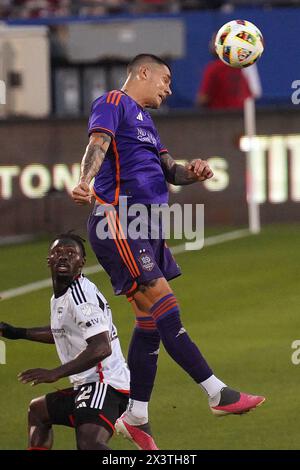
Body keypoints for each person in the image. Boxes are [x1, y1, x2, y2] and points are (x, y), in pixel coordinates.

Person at [72, 54, 265, 450]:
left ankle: (136, 416)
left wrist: (191, 172)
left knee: (148, 321)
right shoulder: (113, 102)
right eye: (165, 79)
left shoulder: (147, 124)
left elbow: (168, 169)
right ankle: (217, 393)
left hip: (146, 226)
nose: (169, 88)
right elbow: (99, 142)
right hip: (119, 219)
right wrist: (84, 180)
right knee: (165, 304)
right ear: (143, 73)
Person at [0, 233, 129, 450]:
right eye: (58, 252)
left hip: (105, 383)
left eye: (71, 253)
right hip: (87, 384)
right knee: (38, 411)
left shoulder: (80, 297)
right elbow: (63, 332)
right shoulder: (61, 295)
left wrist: (55, 373)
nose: (64, 257)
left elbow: (101, 347)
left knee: (89, 444)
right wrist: (18, 332)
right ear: (49, 260)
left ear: (82, 263)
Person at [195, 33, 252, 109]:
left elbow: (203, 98)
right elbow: (248, 96)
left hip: (220, 117)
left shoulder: (214, 68)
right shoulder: (238, 66)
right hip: (240, 115)